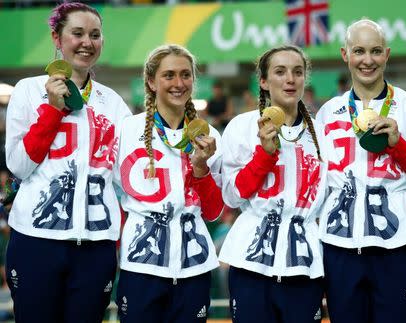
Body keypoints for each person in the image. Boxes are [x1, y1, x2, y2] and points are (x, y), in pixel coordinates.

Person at [315, 18, 406, 323]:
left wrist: (399, 145)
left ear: (387, 54)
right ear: (344, 54)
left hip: (396, 246)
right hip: (340, 247)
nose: (367, 60)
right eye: (359, 51)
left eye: (376, 51)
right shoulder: (326, 113)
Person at [4, 3, 131, 322]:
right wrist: (52, 108)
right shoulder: (28, 91)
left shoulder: (113, 103)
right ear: (57, 38)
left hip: (96, 245)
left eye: (95, 35)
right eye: (77, 33)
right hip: (36, 240)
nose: (87, 42)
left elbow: (127, 178)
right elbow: (19, 165)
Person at [114, 44, 224, 323]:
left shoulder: (209, 136)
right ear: (151, 82)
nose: (179, 83)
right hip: (140, 264)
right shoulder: (126, 130)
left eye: (186, 75)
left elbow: (213, 212)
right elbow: (110, 197)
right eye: (169, 75)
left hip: (193, 267)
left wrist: (201, 169)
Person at [219, 45, 327, 323]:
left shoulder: (322, 134)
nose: (290, 79)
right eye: (280, 72)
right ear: (264, 81)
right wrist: (264, 155)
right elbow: (232, 197)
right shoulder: (241, 127)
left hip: (304, 262)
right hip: (251, 261)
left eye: (297, 72)